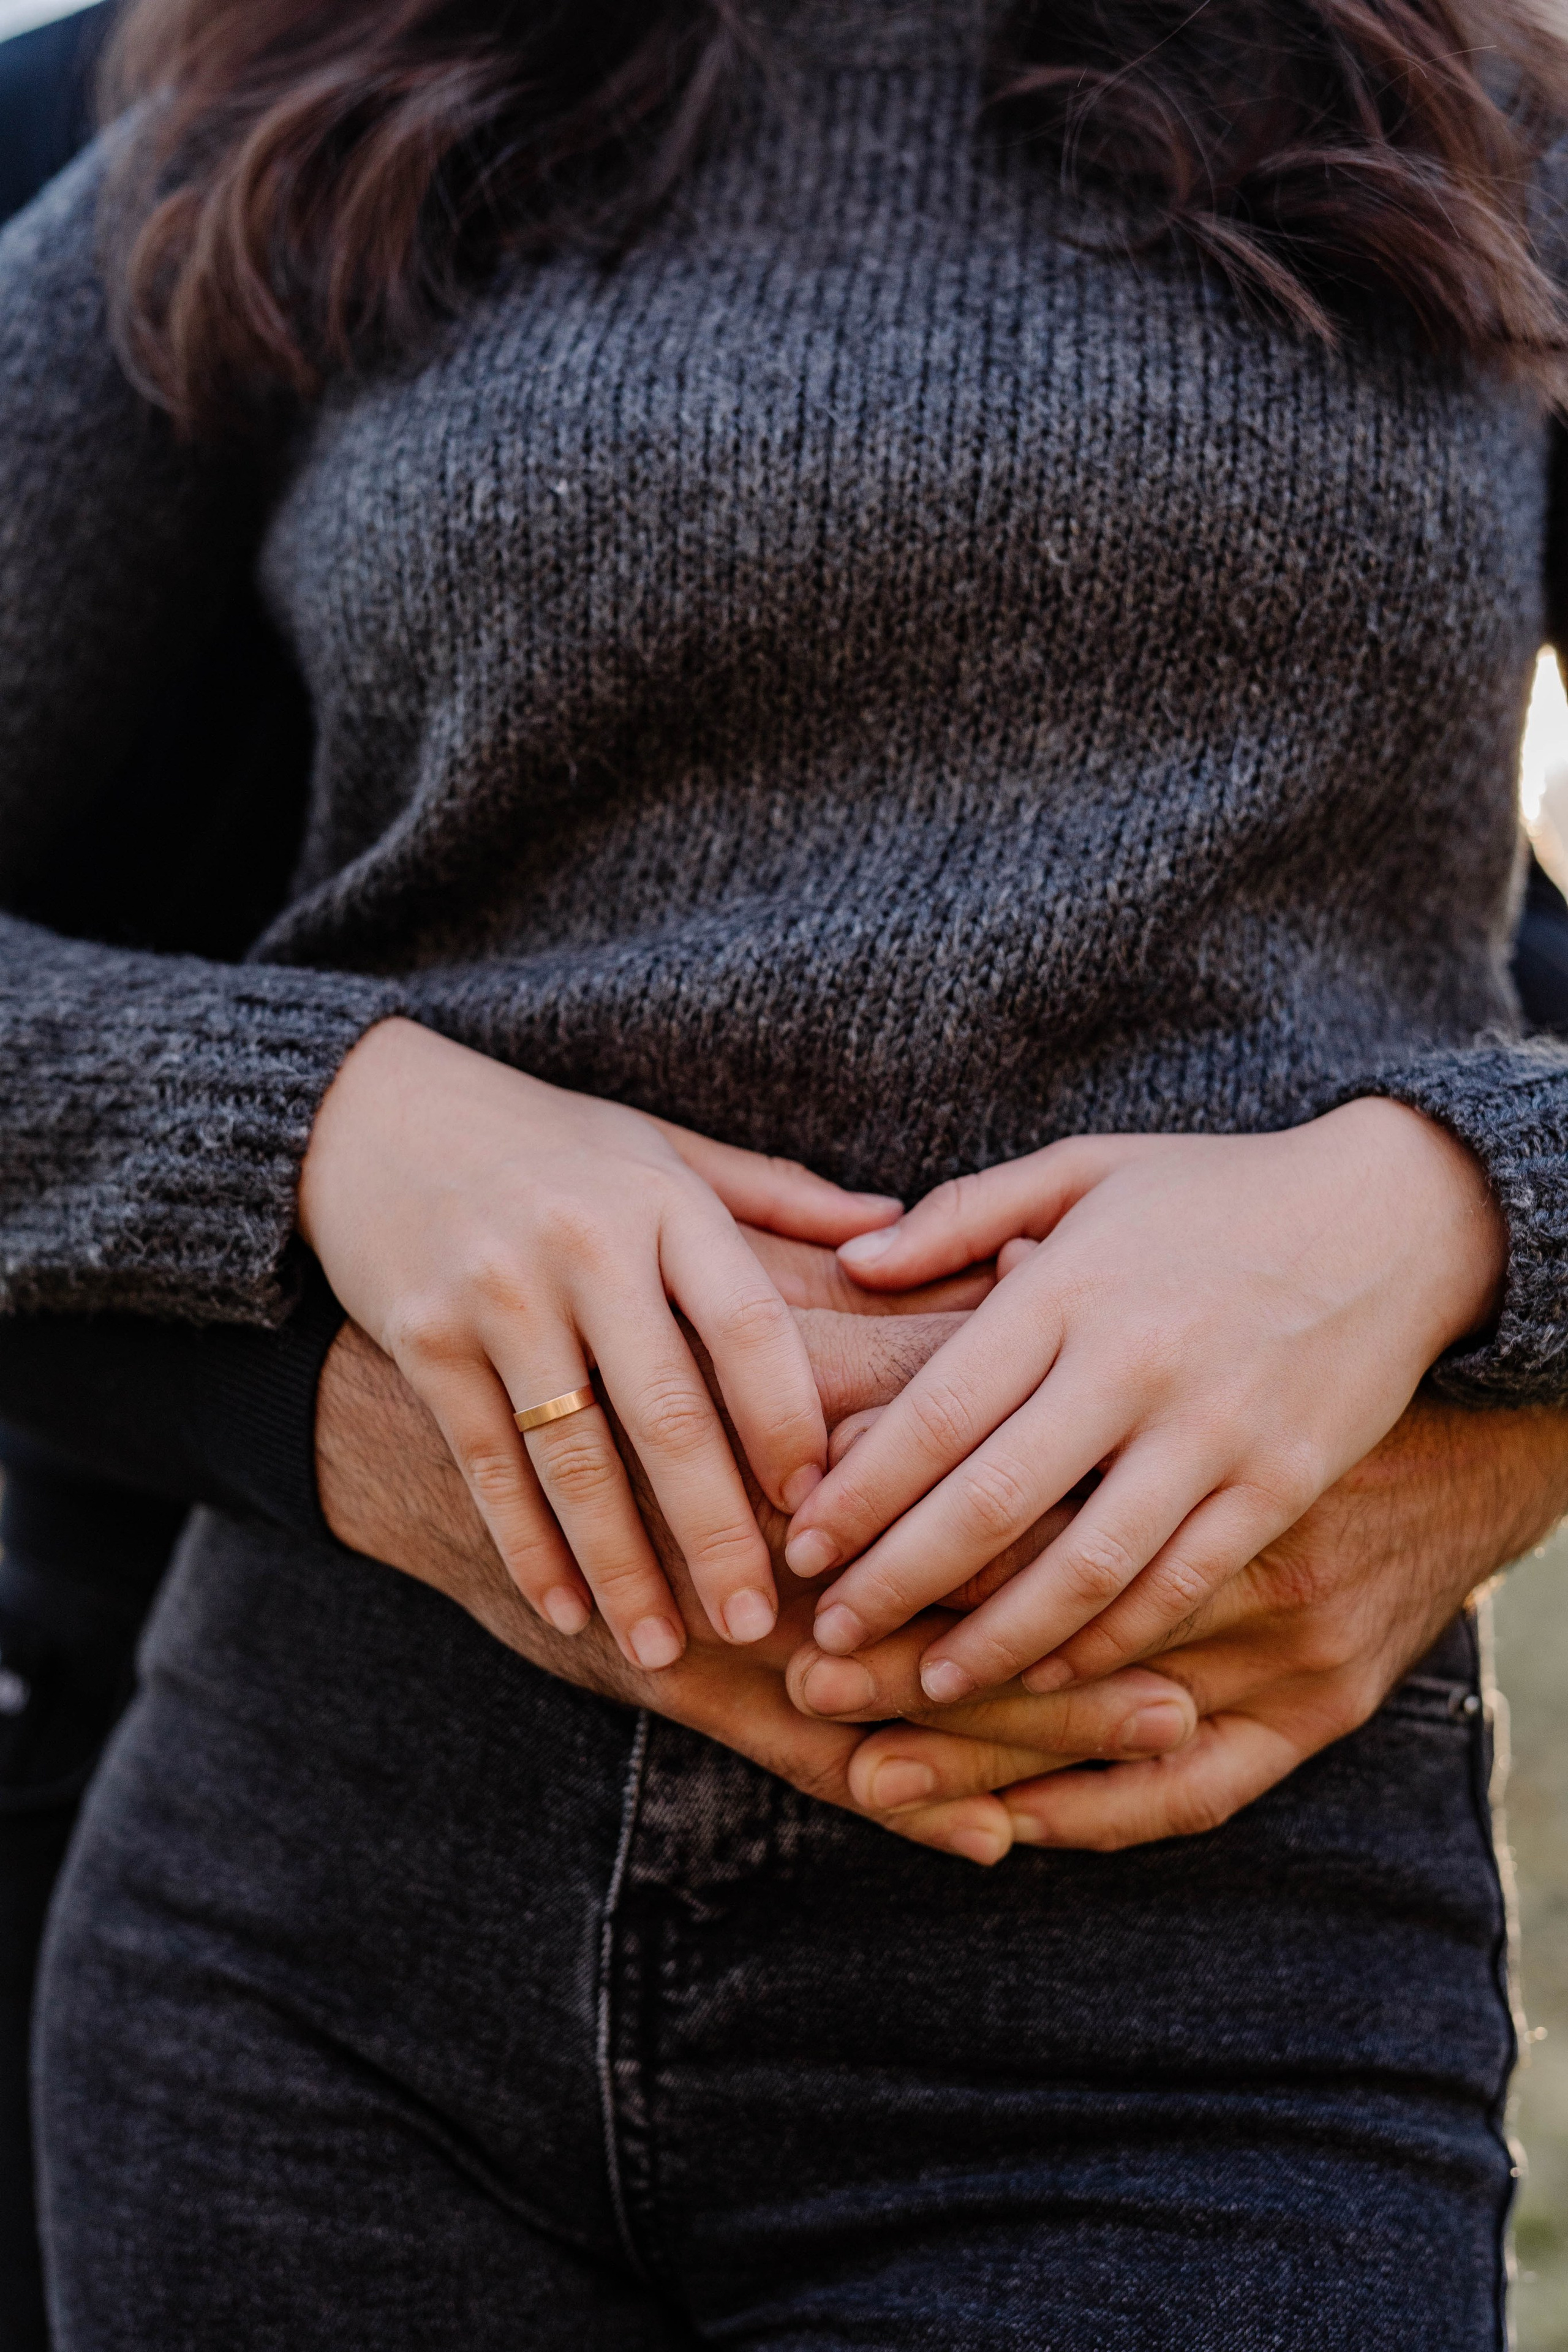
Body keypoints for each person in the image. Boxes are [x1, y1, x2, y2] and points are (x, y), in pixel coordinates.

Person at [4, 0, 1568, 2340]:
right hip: (320, 1966)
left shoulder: (1482, 128)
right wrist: (326, 1119)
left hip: (1176, 2004)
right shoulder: (298, 104)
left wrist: (1453, 1201)